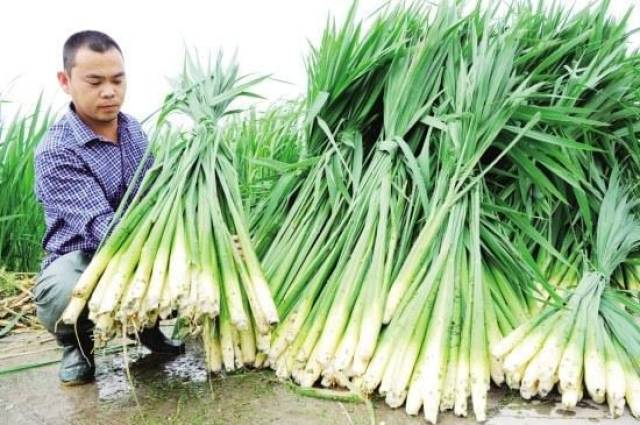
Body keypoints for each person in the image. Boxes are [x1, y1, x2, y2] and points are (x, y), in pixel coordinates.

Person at [33, 30, 184, 386]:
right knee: (61, 292)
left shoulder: (134, 131)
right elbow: (101, 226)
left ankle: (147, 326)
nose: (109, 91)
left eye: (117, 80)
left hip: (137, 243)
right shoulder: (56, 149)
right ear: (65, 81)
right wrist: (163, 251)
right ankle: (76, 345)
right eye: (95, 81)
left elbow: (151, 197)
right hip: (82, 255)